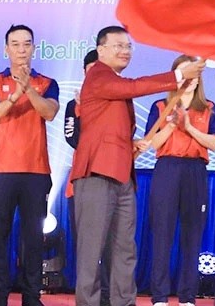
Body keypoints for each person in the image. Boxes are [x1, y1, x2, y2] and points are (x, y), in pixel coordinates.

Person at [68, 26, 205, 306]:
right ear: (101, 50)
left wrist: (130, 144)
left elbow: (106, 128)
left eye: (128, 46)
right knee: (91, 252)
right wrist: (179, 75)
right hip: (97, 174)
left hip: (122, 176)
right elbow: (133, 87)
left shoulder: (112, 80)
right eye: (118, 45)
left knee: (125, 250)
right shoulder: (98, 75)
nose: (125, 51)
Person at [0, 24, 59, 306]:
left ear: (34, 48)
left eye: (26, 44)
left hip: (36, 171)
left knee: (33, 238)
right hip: (1, 170)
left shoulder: (47, 83)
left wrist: (29, 90)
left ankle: (31, 296)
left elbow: (49, 113)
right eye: (15, 44)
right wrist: (14, 94)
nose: (21, 49)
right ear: (6, 49)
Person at [145, 55, 215, 306]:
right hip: (167, 168)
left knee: (192, 234)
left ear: (199, 78)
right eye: (183, 72)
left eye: (192, 72)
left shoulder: (208, 106)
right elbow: (151, 144)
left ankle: (188, 297)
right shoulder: (160, 105)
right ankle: (159, 297)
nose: (189, 77)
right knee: (162, 233)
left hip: (195, 170)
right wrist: (171, 124)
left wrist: (188, 127)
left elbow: (214, 143)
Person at [63, 49, 112, 306]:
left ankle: (108, 296)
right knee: (86, 247)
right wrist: (82, 109)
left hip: (113, 179)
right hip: (81, 181)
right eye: (92, 70)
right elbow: (73, 138)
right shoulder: (74, 104)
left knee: (113, 247)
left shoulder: (117, 100)